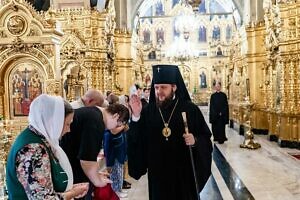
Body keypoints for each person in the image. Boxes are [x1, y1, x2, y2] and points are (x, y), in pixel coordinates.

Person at [128, 65, 213, 200]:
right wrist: (136, 116)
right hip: (158, 173)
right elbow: (139, 139)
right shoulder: (148, 111)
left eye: (163, 87)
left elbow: (205, 138)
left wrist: (195, 140)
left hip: (183, 173)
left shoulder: (190, 109)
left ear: (174, 87)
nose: (159, 91)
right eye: (156, 88)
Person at [6, 94, 89, 199]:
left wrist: (71, 188)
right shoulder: (33, 149)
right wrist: (72, 193)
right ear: (53, 122)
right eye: (67, 124)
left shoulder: (39, 139)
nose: (69, 130)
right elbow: (42, 198)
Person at [60, 103, 130, 199]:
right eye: (118, 125)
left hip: (71, 167)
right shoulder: (96, 121)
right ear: (115, 116)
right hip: (72, 173)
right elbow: (86, 159)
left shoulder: (93, 113)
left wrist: (96, 174)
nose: (114, 128)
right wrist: (98, 181)